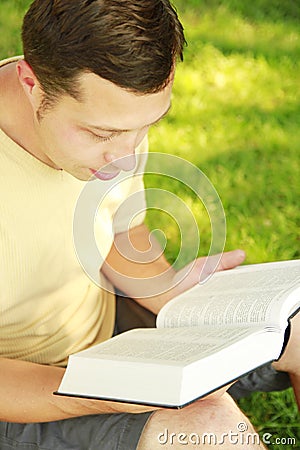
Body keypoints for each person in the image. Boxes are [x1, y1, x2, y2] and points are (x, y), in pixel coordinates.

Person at [0, 1, 299, 449]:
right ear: (32, 83)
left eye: (146, 126)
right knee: (212, 431)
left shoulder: (116, 109)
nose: (124, 156)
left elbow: (120, 233)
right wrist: (102, 395)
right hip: (27, 392)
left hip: (108, 337)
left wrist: (177, 297)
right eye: (100, 135)